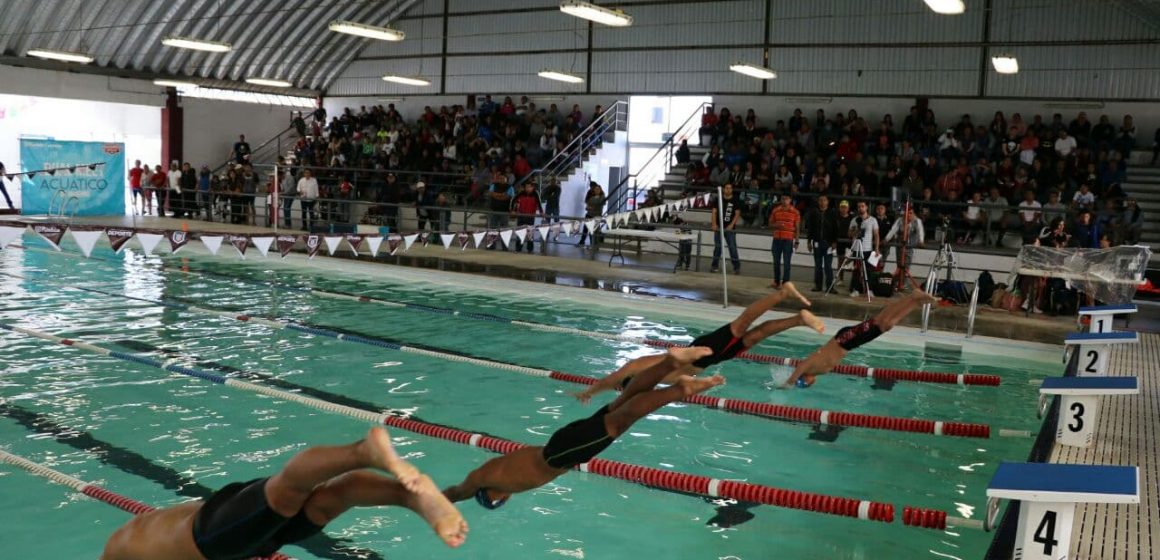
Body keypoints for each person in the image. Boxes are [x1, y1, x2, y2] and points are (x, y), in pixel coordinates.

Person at [100, 427, 467, 560]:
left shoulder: (124, 551)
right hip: (227, 530)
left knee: (287, 493)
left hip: (209, 539)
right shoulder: (126, 541)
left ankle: (364, 451)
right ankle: (410, 495)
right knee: (330, 499)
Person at [445, 347, 726, 509]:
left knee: (621, 420)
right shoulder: (493, 471)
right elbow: (458, 490)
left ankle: (679, 389)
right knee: (623, 403)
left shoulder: (494, 482)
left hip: (560, 455)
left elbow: (459, 492)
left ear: (497, 497)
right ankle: (670, 363)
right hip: (559, 443)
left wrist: (445, 503)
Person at [572, 283, 821, 403]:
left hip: (705, 351)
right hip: (711, 358)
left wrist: (589, 392)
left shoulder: (639, 368)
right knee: (756, 336)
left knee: (743, 323)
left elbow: (612, 378)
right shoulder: (654, 381)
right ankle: (798, 319)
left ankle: (783, 293)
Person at [783, 290, 939, 388]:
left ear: (806, 381)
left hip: (845, 340)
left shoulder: (810, 368)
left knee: (881, 322)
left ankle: (913, 297)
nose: (810, 385)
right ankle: (914, 302)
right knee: (885, 324)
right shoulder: (818, 372)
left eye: (806, 384)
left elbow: (801, 366)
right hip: (850, 343)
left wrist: (788, 382)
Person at [803, 194, 839, 292]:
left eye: (824, 200)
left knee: (828, 266)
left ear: (827, 201)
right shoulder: (814, 213)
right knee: (818, 265)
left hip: (828, 243)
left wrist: (834, 241)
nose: (822, 202)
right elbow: (810, 228)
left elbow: (835, 228)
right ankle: (818, 286)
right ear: (818, 202)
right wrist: (809, 241)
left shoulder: (832, 213)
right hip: (817, 242)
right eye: (820, 200)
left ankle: (830, 287)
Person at [768, 193, 800, 288]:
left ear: (790, 200)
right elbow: (769, 224)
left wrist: (797, 241)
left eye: (786, 199)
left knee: (787, 263)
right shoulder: (776, 210)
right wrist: (776, 225)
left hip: (788, 240)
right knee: (776, 262)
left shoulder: (795, 212)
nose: (784, 201)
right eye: (782, 198)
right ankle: (776, 281)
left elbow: (797, 228)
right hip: (777, 239)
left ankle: (785, 282)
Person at [848, 201, 879, 298]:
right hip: (857, 248)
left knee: (869, 271)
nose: (860, 208)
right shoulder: (854, 220)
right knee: (857, 271)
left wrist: (877, 248)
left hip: (868, 249)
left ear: (866, 208)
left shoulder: (873, 220)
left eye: (862, 206)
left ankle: (869, 290)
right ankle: (856, 289)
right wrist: (855, 231)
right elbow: (849, 234)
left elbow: (876, 235)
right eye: (859, 207)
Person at [711, 182, 741, 274]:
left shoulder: (735, 200)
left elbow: (737, 214)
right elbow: (714, 212)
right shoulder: (718, 199)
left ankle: (736, 267)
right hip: (719, 227)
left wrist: (732, 225)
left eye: (730, 188)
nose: (728, 189)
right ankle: (714, 266)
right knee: (718, 248)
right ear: (723, 189)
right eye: (726, 188)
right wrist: (714, 224)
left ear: (732, 189)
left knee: (732, 248)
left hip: (730, 228)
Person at [511, 182, 543, 253]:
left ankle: (530, 249)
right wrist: (513, 210)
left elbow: (539, 203)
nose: (527, 189)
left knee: (530, 233)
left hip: (530, 217)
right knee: (520, 233)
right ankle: (518, 248)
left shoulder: (535, 194)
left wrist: (541, 212)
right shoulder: (521, 193)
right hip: (521, 216)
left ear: (532, 187)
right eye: (526, 187)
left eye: (529, 187)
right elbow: (513, 200)